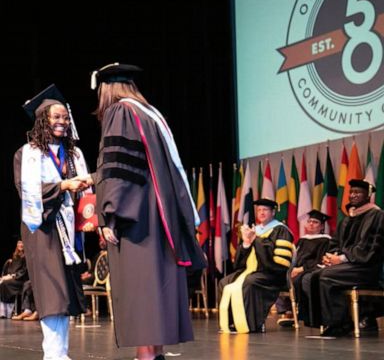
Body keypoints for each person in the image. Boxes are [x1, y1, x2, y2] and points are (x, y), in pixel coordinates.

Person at [83, 62, 206, 360]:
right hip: (160, 213)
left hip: (136, 215)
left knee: (140, 285)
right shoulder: (152, 115)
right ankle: (156, 353)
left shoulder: (119, 112)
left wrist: (108, 214)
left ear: (106, 88)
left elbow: (119, 167)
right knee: (157, 283)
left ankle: (145, 356)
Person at [13, 84, 92, 360]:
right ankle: (53, 355)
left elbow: (86, 195)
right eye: (56, 117)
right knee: (51, 293)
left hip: (68, 231)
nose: (62, 122)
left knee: (65, 293)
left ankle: (60, 354)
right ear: (43, 121)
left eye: (65, 118)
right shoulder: (27, 154)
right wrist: (64, 185)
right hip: (42, 229)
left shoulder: (75, 155)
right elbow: (28, 192)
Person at [304, 179, 384, 338]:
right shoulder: (348, 218)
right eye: (351, 192)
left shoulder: (377, 215)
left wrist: (342, 259)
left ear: (368, 195)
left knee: (326, 277)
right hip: (349, 266)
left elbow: (371, 249)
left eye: (358, 192)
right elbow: (335, 243)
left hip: (367, 268)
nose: (353, 195)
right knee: (310, 276)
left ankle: (340, 324)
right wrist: (331, 257)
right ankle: (327, 322)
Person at [218, 198, 294, 334]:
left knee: (249, 282)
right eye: (259, 210)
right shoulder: (254, 230)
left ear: (273, 212)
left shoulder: (281, 231)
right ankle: (231, 322)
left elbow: (278, 264)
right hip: (250, 271)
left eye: (265, 210)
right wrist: (246, 243)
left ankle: (248, 324)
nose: (261, 212)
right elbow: (238, 264)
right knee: (225, 282)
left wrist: (256, 240)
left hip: (271, 273)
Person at [277, 209, 331, 327]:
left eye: (315, 222)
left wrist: (301, 269)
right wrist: (290, 269)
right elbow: (293, 257)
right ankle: (287, 312)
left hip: (311, 270)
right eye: (309, 221)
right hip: (296, 270)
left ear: (322, 226)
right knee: (279, 276)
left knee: (300, 280)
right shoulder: (302, 240)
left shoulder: (325, 240)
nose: (311, 224)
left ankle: (302, 314)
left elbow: (320, 260)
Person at [0, 240, 28, 318]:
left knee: (5, 284)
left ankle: (7, 312)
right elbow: (12, 269)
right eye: (19, 243)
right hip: (13, 278)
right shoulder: (15, 256)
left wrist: (12, 276)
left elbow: (24, 272)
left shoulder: (26, 256)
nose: (20, 245)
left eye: (22, 243)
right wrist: (7, 276)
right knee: (1, 282)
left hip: (21, 280)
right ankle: (2, 312)